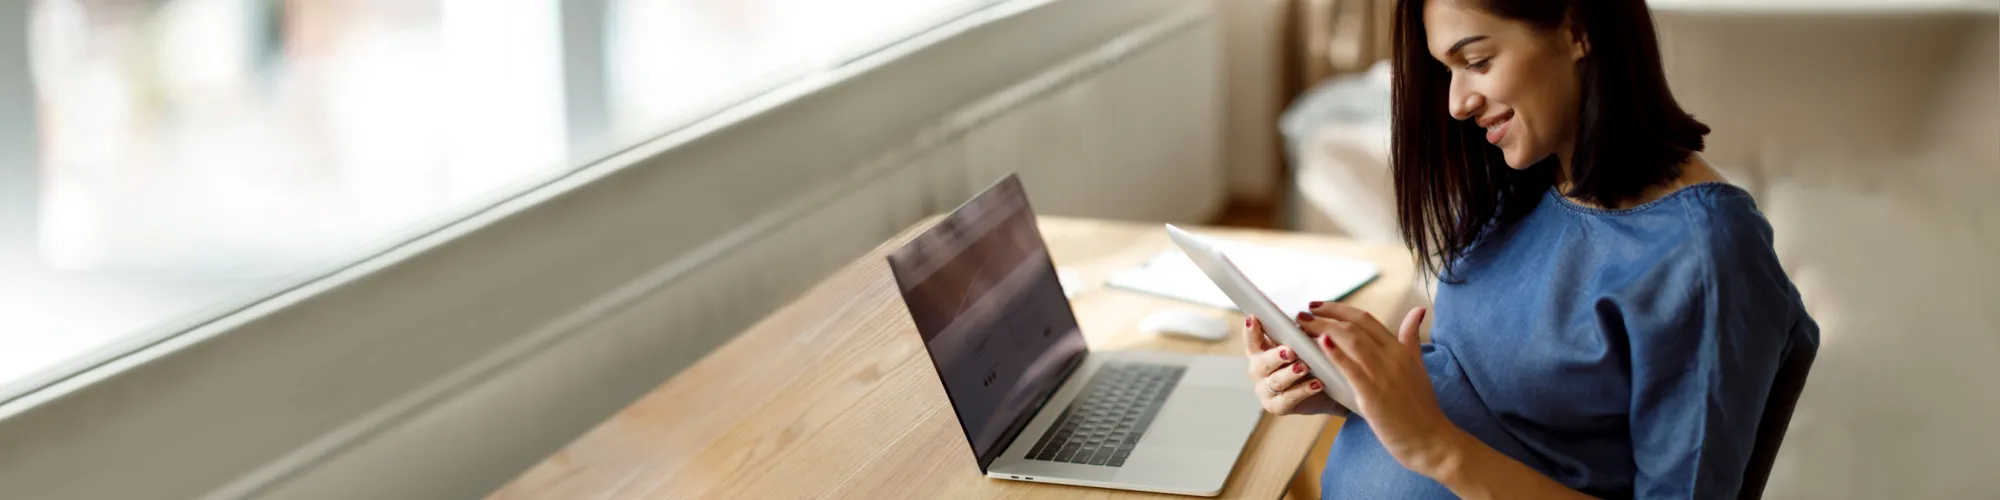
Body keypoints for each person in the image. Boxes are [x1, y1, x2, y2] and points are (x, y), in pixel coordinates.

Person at [1241, 0, 1820, 498]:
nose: (1456, 103)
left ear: (1576, 29)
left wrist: (1436, 449)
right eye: (1448, 70)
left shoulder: (1704, 253)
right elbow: (1490, 391)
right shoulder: (1529, 180)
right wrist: (1352, 388)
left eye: (1476, 62)